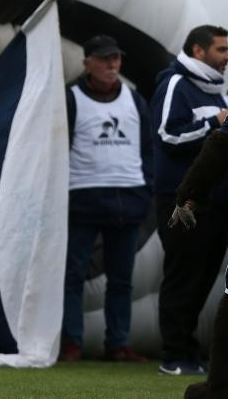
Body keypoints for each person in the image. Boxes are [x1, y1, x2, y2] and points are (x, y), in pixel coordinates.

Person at [150, 25, 228, 376]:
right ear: (199, 51)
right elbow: (167, 134)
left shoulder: (216, 90)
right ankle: (173, 355)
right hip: (184, 202)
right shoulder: (175, 83)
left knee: (202, 279)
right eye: (221, 49)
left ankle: (188, 352)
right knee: (182, 277)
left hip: (218, 203)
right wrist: (214, 124)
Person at [59, 34, 153, 363]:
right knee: (72, 275)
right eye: (104, 59)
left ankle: (119, 344)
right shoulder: (70, 99)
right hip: (82, 199)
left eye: (116, 58)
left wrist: (145, 188)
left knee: (121, 279)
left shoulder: (134, 99)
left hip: (127, 199)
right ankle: (71, 343)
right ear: (87, 63)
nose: (112, 65)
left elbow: (148, 148)